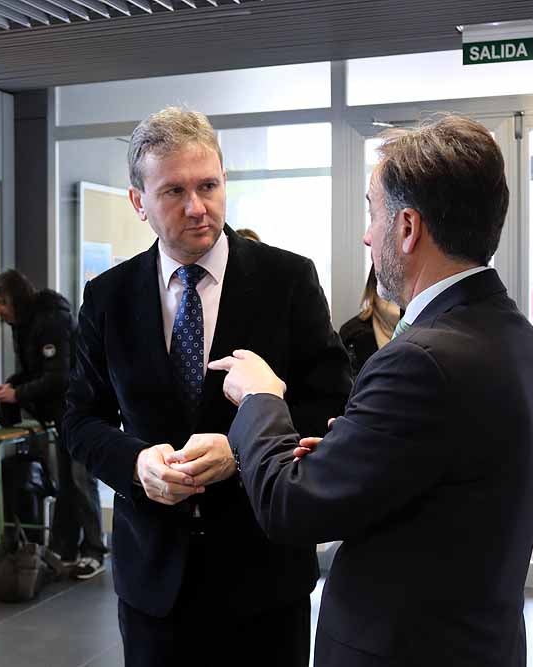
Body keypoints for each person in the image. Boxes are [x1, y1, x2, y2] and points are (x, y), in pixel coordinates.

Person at [211, 115, 533, 667]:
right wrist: (352, 453)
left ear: (408, 227)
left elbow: (291, 507)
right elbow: (446, 477)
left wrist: (261, 398)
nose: (366, 233)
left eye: (372, 212)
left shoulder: (420, 360)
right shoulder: (516, 337)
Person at [63, 107, 352, 666]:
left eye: (209, 185)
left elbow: (333, 402)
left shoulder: (287, 280)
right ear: (138, 201)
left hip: (263, 575)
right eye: (173, 191)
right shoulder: (108, 297)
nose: (197, 207)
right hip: (153, 581)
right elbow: (80, 419)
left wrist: (242, 451)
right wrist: (136, 464)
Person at [0, 269, 107, 579]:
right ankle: (64, 549)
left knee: (81, 480)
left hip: (82, 409)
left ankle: (95, 550)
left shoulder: (51, 320)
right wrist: (12, 386)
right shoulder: (22, 325)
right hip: (59, 413)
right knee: (65, 482)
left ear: (15, 298)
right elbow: (35, 370)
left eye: (1, 302)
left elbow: (60, 376)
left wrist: (19, 393)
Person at [338, 266, 401, 377]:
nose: (397, 304)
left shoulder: (427, 329)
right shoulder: (352, 335)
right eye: (389, 292)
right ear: (374, 290)